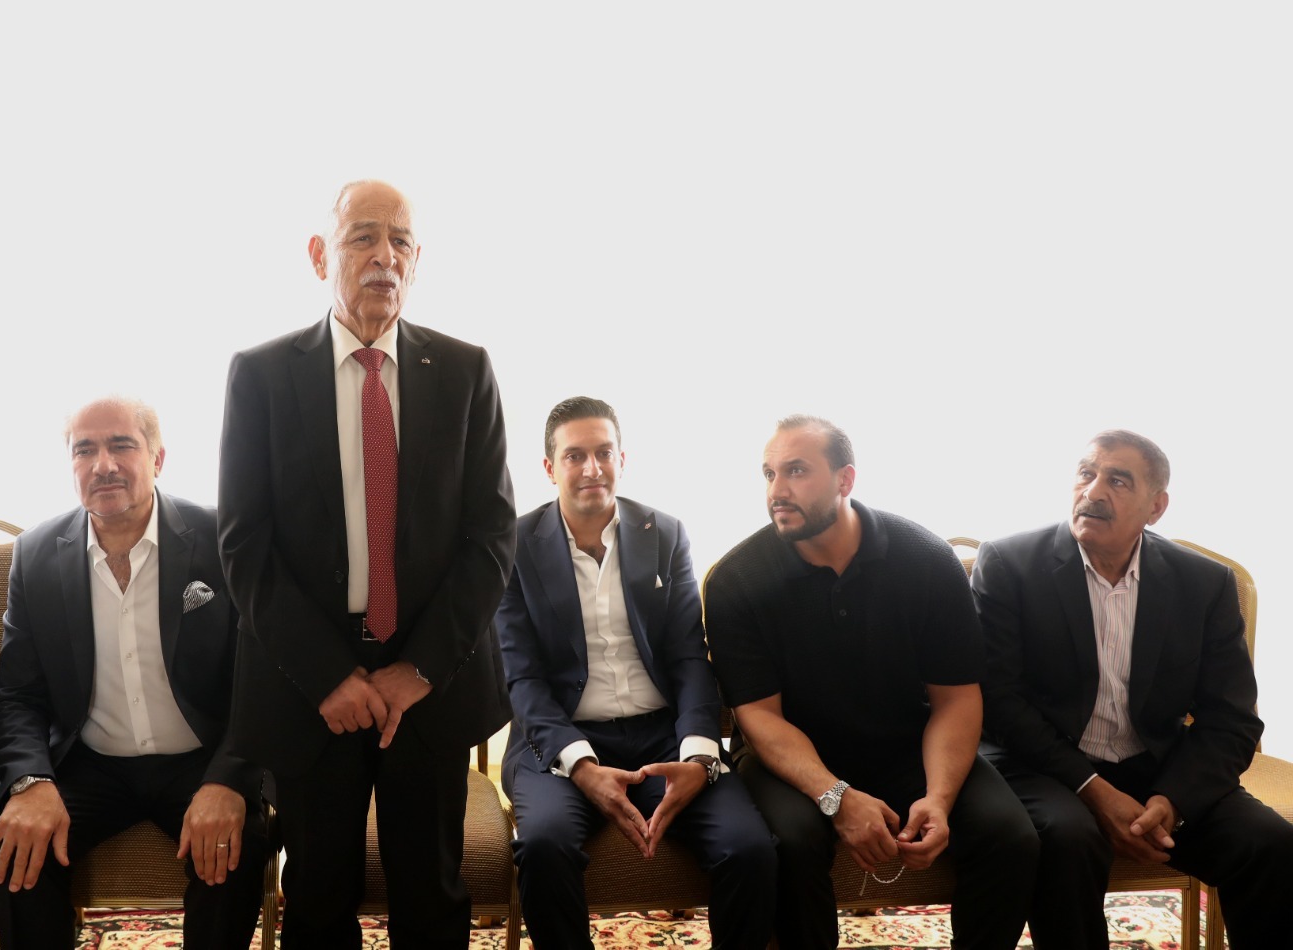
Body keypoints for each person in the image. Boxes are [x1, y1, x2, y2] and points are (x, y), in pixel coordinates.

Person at [218, 180, 517, 948]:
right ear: (320, 255)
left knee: (432, 892)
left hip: (429, 682)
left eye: (401, 241)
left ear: (418, 260)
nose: (385, 256)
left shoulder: (465, 370)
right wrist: (327, 676)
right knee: (318, 894)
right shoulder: (261, 375)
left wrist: (418, 669)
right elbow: (245, 544)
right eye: (363, 237)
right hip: (308, 684)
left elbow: (491, 537)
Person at [703, 415, 1037, 950]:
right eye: (769, 474)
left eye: (796, 471)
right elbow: (759, 716)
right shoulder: (737, 580)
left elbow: (956, 698)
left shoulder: (927, 560)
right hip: (787, 756)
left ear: (845, 479)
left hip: (905, 744)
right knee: (791, 843)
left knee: (1011, 837)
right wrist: (835, 797)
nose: (777, 490)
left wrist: (939, 798)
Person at [972, 429, 1293, 949]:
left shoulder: (1203, 584)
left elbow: (1231, 717)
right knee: (1068, 839)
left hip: (1156, 766)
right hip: (1045, 765)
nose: (1093, 491)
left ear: (1156, 507)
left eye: (1118, 481)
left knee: (1269, 844)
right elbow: (999, 702)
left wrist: (1174, 801)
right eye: (1086, 473)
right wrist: (1093, 791)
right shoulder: (1011, 565)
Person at [0, 396, 269, 949]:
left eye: (121, 446)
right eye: (84, 450)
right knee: (16, 854)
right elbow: (18, 694)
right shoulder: (36, 554)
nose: (103, 465)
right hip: (91, 762)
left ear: (158, 459)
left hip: (202, 757)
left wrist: (229, 780)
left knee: (234, 855)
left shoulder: (222, 538)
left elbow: (260, 680)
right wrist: (30, 782)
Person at [497, 396, 776, 949]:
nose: (592, 468)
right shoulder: (515, 546)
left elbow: (689, 657)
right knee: (545, 846)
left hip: (663, 734)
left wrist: (699, 756)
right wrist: (582, 767)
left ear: (622, 459)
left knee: (749, 848)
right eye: (574, 456)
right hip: (557, 742)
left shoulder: (663, 533)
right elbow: (522, 678)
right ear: (550, 468)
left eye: (604, 453)